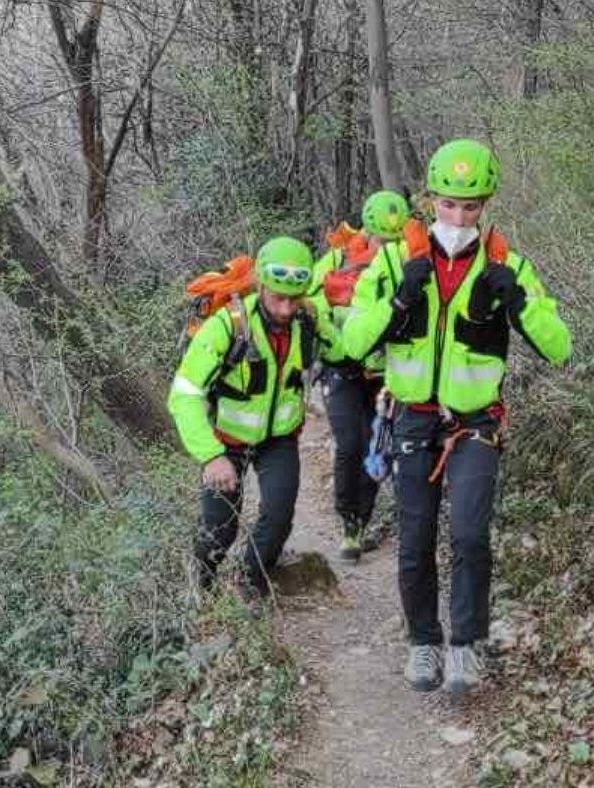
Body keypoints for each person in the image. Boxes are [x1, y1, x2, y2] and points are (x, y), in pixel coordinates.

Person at [344, 139, 572, 693]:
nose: (458, 216)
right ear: (430, 201)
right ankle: (423, 642)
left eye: (470, 206)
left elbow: (560, 346)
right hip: (412, 419)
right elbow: (352, 342)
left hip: (475, 423)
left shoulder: (507, 265)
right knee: (416, 537)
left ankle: (466, 644)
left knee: (470, 534)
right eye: (448, 204)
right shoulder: (396, 260)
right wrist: (399, 300)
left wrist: (518, 301)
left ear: (486, 204)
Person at [168, 236, 328, 602]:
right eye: (278, 297)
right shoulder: (226, 326)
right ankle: (202, 593)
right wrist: (211, 455)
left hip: (279, 439)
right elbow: (185, 394)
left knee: (278, 516)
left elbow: (346, 345)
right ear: (262, 285)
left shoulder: (307, 318)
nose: (286, 308)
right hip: (226, 440)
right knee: (217, 530)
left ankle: (247, 583)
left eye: (295, 298)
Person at [307, 191, 410, 560]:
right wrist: (338, 339)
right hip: (342, 367)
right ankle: (349, 521)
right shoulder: (337, 260)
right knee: (351, 443)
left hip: (386, 371)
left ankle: (362, 522)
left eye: (395, 241)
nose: (387, 247)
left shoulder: (408, 262)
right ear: (367, 231)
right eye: (382, 239)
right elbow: (311, 301)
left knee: (376, 446)